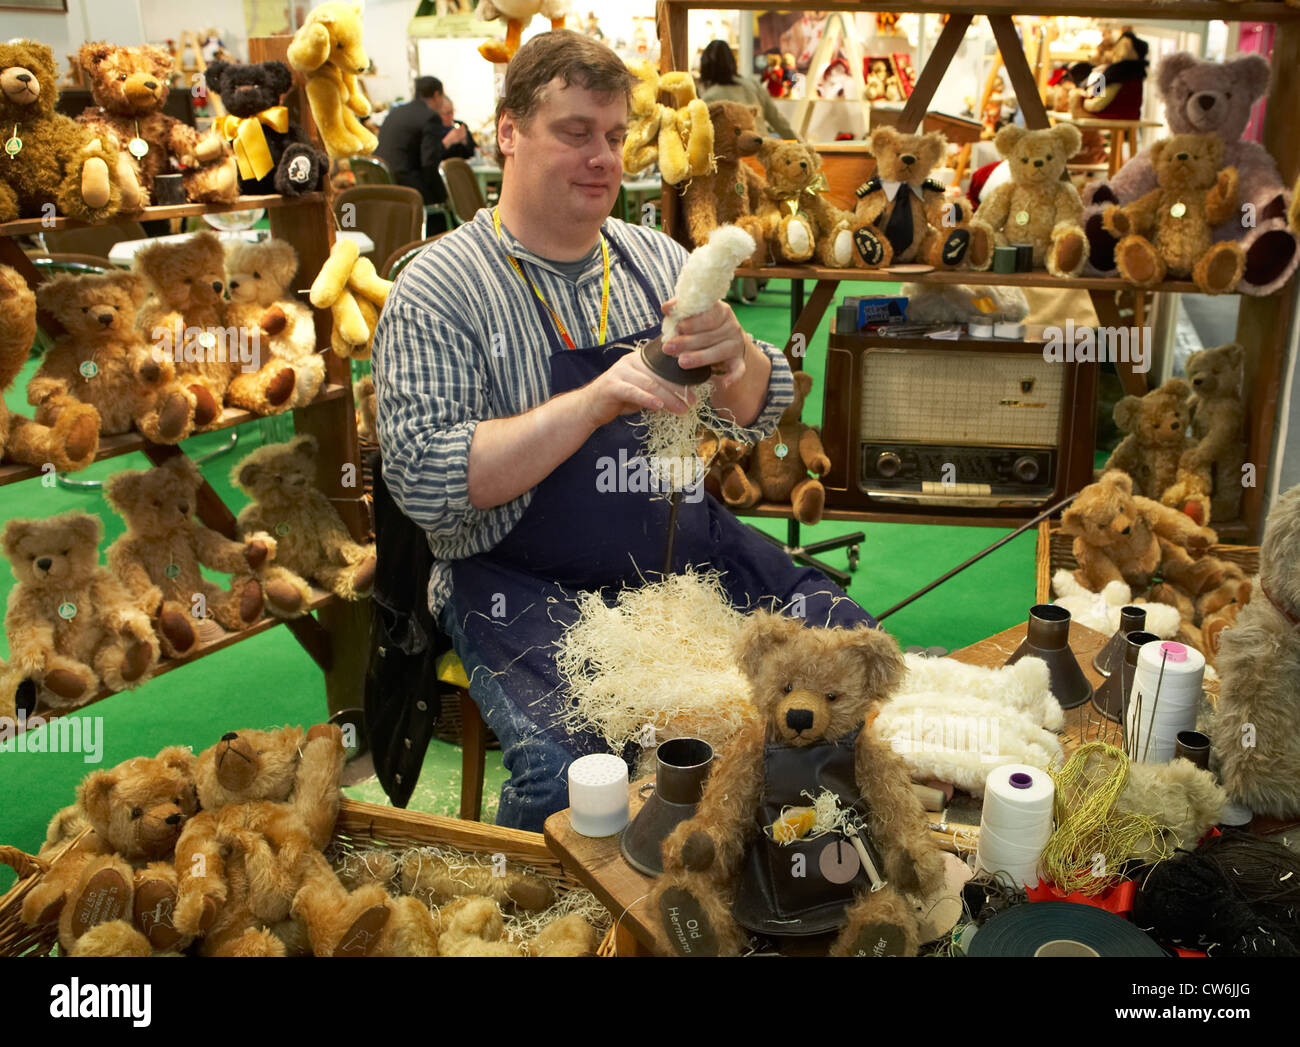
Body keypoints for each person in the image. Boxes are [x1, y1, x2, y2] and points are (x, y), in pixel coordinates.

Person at [372, 30, 871, 832]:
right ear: (507, 132)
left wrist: (735, 355)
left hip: (684, 569)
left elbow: (756, 408)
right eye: (575, 132)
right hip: (517, 579)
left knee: (845, 656)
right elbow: (432, 485)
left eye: (612, 136)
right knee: (577, 772)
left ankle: (776, 882)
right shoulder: (438, 288)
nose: (602, 157)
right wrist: (592, 401)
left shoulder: (651, 260)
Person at [698, 38, 799, 141]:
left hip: (734, 155)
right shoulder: (753, 85)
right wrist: (803, 145)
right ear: (732, 62)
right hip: (764, 148)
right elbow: (778, 120)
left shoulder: (709, 97)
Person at [375, 75, 445, 201]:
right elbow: (429, 162)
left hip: (380, 183)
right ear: (436, 95)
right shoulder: (431, 117)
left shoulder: (395, 112)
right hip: (407, 188)